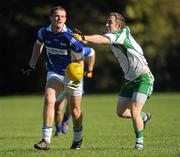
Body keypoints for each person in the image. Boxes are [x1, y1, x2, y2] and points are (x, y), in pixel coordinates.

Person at [72, 12, 155, 150]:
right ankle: (144, 117)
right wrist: (80, 39)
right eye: (107, 21)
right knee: (121, 113)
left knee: (134, 110)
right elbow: (96, 39)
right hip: (128, 80)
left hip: (143, 78)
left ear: (119, 25)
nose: (106, 24)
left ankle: (139, 145)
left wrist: (83, 37)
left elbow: (101, 39)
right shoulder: (112, 35)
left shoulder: (122, 34)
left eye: (109, 22)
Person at [21, 6, 84, 150]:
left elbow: (80, 59)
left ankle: (78, 139)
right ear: (50, 18)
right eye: (56, 16)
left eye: (62, 16)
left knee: (75, 111)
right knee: (49, 99)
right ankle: (46, 140)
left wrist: (77, 75)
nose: (59, 19)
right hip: (54, 73)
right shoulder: (43, 32)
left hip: (72, 75)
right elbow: (38, 46)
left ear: (66, 19)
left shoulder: (71, 37)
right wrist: (31, 65)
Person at [54, 47, 96, 136]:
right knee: (57, 108)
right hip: (60, 79)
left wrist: (90, 70)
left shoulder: (79, 49)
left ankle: (65, 122)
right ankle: (58, 130)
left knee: (72, 107)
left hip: (74, 82)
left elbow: (92, 52)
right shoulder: (59, 49)